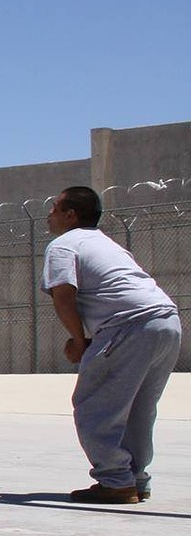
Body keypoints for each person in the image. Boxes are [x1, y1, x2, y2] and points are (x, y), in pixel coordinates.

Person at [43, 185, 181, 504]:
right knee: (138, 408)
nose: (48, 214)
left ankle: (117, 481)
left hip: (127, 326)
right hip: (165, 321)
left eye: (54, 207)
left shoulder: (63, 245)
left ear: (70, 214)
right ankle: (134, 478)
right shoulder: (107, 244)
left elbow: (64, 295)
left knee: (95, 405)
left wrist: (81, 341)